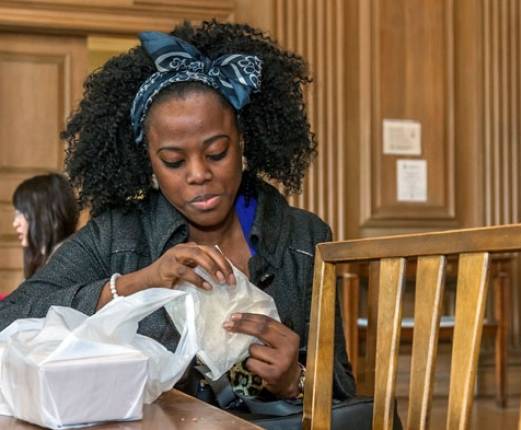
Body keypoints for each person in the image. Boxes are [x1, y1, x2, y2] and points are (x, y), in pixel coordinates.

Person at [0, 20, 355, 407]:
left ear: (242, 142)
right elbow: (11, 319)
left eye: (217, 152)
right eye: (173, 160)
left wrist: (296, 380)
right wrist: (138, 284)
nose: (199, 174)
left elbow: (342, 388)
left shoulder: (304, 238)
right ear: (149, 162)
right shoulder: (118, 236)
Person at [11, 173, 79, 279]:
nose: (15, 223)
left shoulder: (69, 262)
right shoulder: (44, 258)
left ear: (44, 213)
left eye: (20, 214)